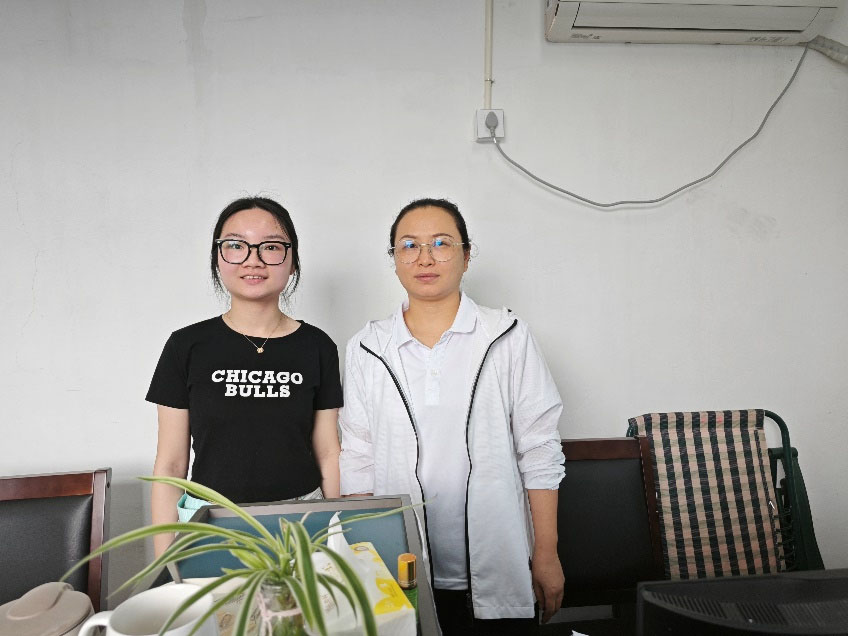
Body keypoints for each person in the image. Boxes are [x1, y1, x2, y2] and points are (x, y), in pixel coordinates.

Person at [338, 198, 565, 635]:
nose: (425, 258)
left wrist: (546, 553)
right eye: (409, 245)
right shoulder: (368, 347)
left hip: (500, 559)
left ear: (467, 254)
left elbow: (539, 447)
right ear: (394, 258)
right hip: (398, 562)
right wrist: (362, 557)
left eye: (441, 243)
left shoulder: (506, 335)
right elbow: (358, 455)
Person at [146, 197, 343, 557]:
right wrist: (165, 562)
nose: (253, 260)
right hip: (211, 524)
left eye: (271, 246)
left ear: (292, 261)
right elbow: (171, 465)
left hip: (302, 522)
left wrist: (338, 538)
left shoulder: (317, 347)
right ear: (218, 258)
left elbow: (328, 452)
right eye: (236, 246)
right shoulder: (186, 346)